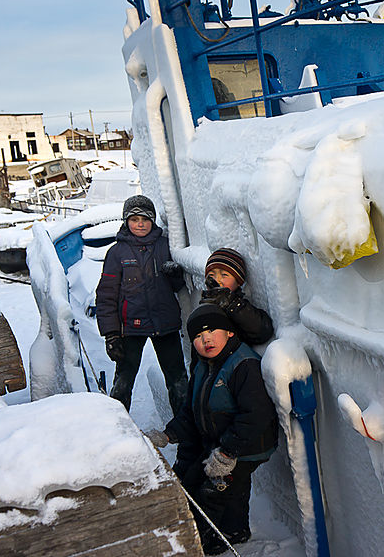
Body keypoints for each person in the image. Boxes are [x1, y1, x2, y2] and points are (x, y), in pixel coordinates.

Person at [149, 304, 278, 555]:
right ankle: (235, 530)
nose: (205, 339)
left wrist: (228, 453)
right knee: (202, 483)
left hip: (247, 446)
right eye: (197, 335)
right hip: (220, 444)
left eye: (211, 331)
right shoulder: (203, 366)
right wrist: (168, 435)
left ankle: (205, 543)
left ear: (229, 333)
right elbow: (190, 411)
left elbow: (256, 414)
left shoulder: (244, 365)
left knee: (211, 492)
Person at [95, 195, 187, 415]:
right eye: (135, 219)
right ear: (126, 221)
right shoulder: (117, 253)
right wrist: (112, 334)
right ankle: (116, 427)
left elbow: (178, 287)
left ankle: (187, 435)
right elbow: (106, 295)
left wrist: (176, 275)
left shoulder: (165, 245)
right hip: (130, 328)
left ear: (153, 221)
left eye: (145, 219)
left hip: (165, 325)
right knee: (123, 383)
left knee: (178, 382)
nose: (140, 224)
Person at [193, 247, 273, 374]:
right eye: (211, 275)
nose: (217, 280)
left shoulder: (239, 306)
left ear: (239, 282)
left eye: (224, 275)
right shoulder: (204, 307)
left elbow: (261, 330)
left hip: (235, 370)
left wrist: (230, 302)